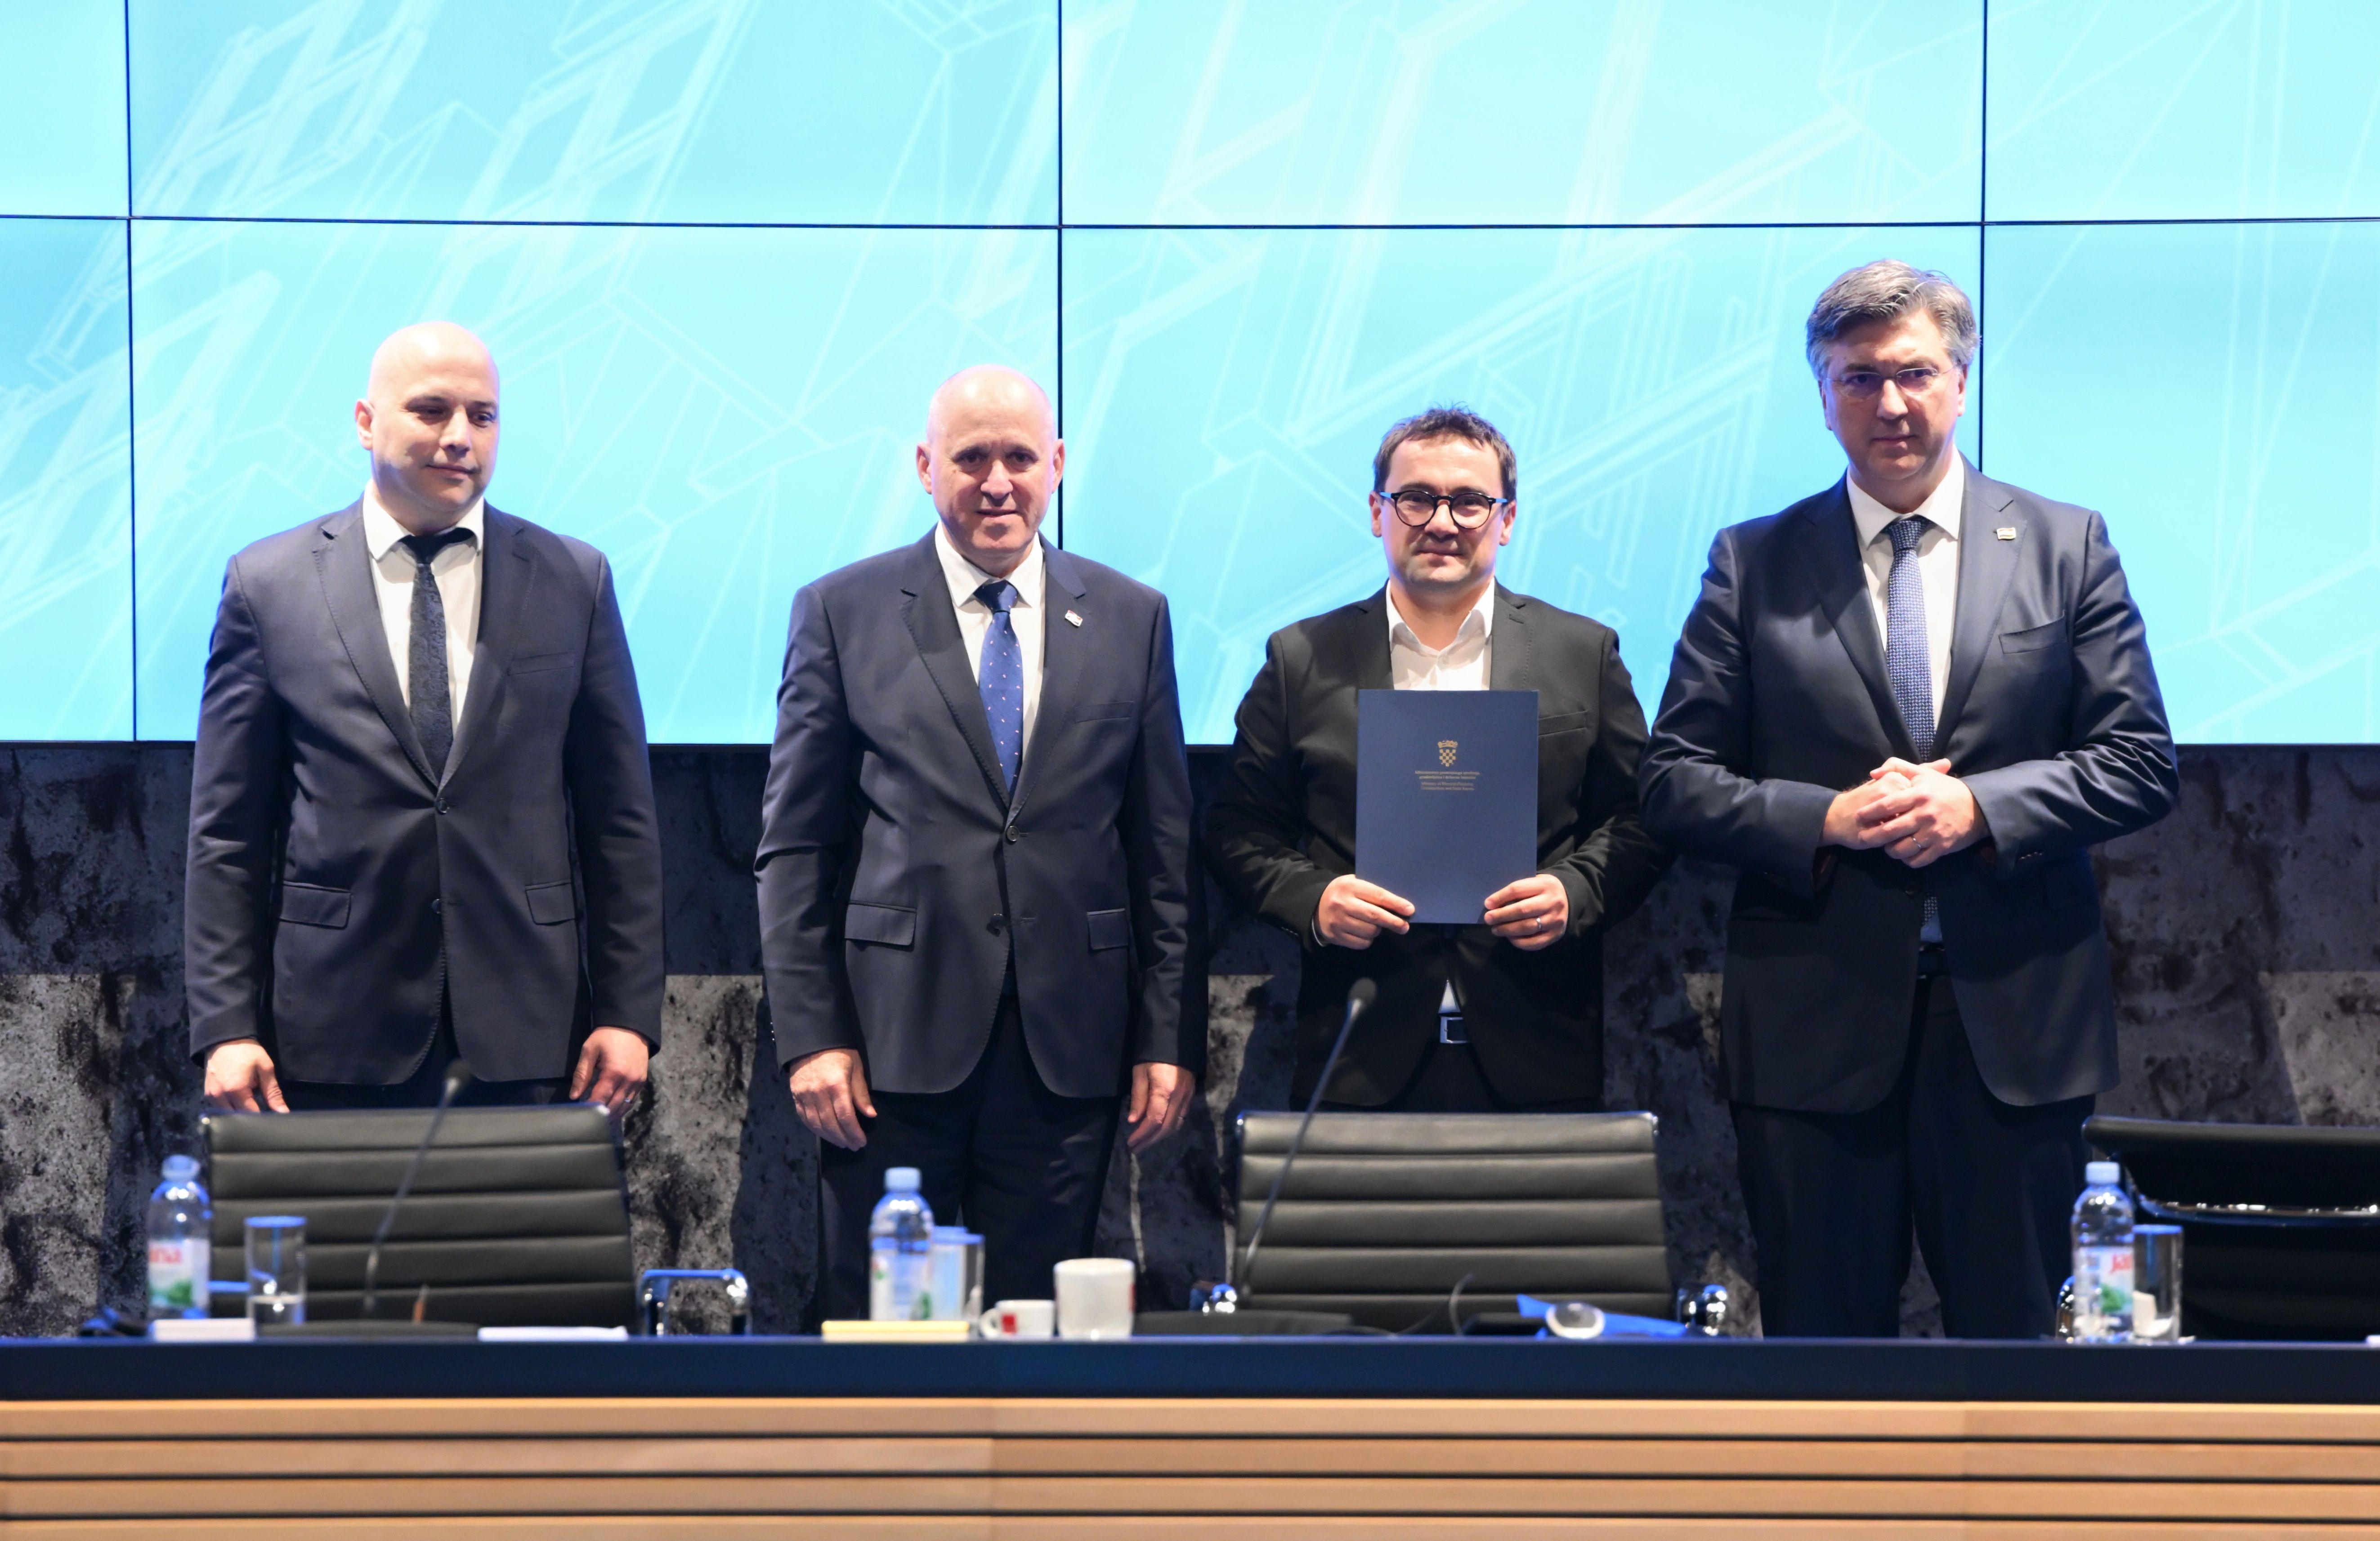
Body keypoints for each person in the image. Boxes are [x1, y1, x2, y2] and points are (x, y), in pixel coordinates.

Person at [1638, 261, 2179, 1338]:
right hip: (1813, 1030)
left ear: (1962, 383)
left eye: (1916, 373)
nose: (1891, 403)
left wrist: (1981, 808)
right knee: (1824, 1367)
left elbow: (2139, 761)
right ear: (1823, 394)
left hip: (2016, 1028)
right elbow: (1672, 780)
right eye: (1860, 378)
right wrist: (1825, 818)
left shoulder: (2067, 545)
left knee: (2028, 1359)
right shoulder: (1753, 562)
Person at [756, 365, 1201, 1320]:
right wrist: (813, 1038)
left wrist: (1167, 1036)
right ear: (926, 467)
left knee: (1034, 1334)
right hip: (885, 1053)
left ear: (1058, 465)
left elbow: (1163, 854)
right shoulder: (841, 611)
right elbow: (794, 850)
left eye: (1019, 459)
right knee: (880, 1333)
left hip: (1068, 1051)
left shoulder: (1133, 617)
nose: (997, 483)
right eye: (971, 459)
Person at [188, 322, 664, 1114]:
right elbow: (227, 834)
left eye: (483, 415)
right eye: (432, 410)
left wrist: (627, 1012)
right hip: (331, 1029)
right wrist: (226, 1026)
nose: (460, 437)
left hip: (532, 1028)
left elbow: (620, 822)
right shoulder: (267, 583)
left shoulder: (572, 578)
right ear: (366, 421)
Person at [1204, 406, 1669, 1112]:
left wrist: (1574, 892)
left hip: (1539, 1047)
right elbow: (1236, 829)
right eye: (1417, 499)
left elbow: (1643, 819)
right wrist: (1316, 901)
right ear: (1378, 512)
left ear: (1507, 520)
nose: (1443, 522)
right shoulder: (1301, 659)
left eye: (1470, 501)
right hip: (1356, 1049)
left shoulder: (1583, 652)